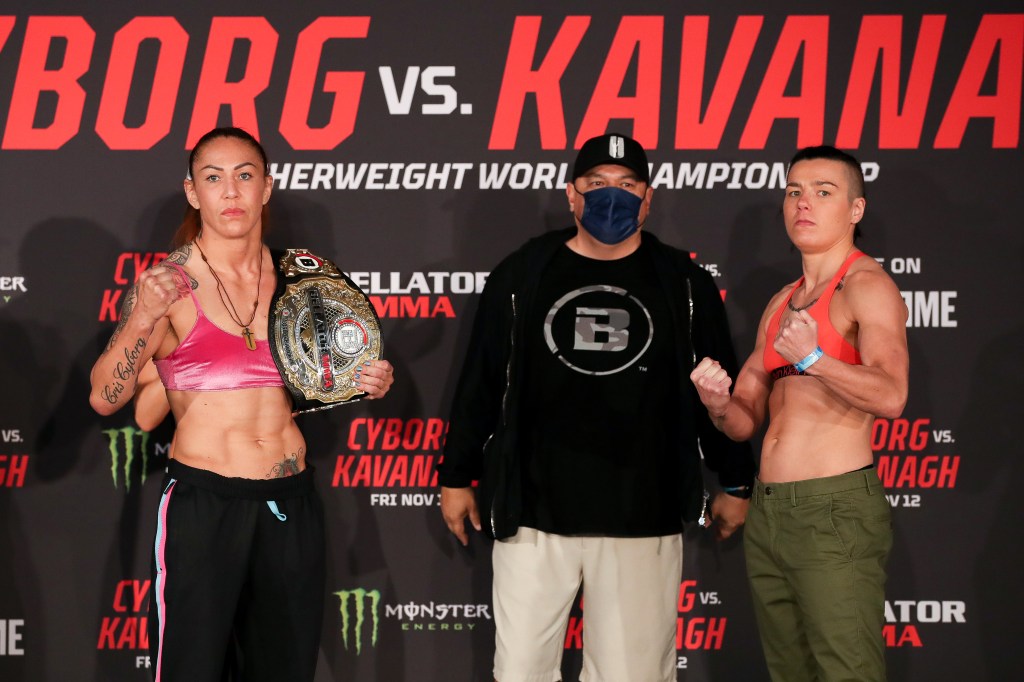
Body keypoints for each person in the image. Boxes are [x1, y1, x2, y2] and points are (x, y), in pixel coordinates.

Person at [439, 133, 755, 682]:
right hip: (534, 513)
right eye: (597, 185)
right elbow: (482, 382)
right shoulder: (523, 272)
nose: (614, 197)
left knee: (631, 676)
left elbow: (720, 391)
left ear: (649, 197)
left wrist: (736, 479)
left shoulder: (683, 281)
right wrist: (457, 474)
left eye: (628, 185)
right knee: (519, 672)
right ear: (571, 194)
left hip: (642, 510)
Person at [88, 126, 394, 681]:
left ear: (266, 187)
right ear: (192, 192)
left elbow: (321, 380)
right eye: (213, 178)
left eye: (244, 176)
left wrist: (366, 378)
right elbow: (106, 397)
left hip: (291, 503)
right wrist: (140, 317)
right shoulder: (170, 284)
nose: (230, 192)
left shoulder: (303, 282)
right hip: (206, 505)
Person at [690, 145, 908, 681]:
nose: (803, 203)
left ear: (856, 210)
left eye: (823, 192)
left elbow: (892, 396)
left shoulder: (867, 286)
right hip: (769, 513)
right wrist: (719, 403)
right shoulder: (781, 301)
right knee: (790, 673)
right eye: (794, 192)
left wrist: (815, 359)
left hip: (833, 511)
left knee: (847, 672)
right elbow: (746, 418)